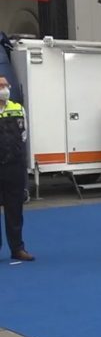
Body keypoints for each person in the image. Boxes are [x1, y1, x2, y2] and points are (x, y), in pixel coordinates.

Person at [0, 75, 33, 261]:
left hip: (14, 167)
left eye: (6, 85)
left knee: (15, 209)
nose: (5, 88)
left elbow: (24, 135)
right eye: (1, 85)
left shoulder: (18, 108)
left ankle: (17, 248)